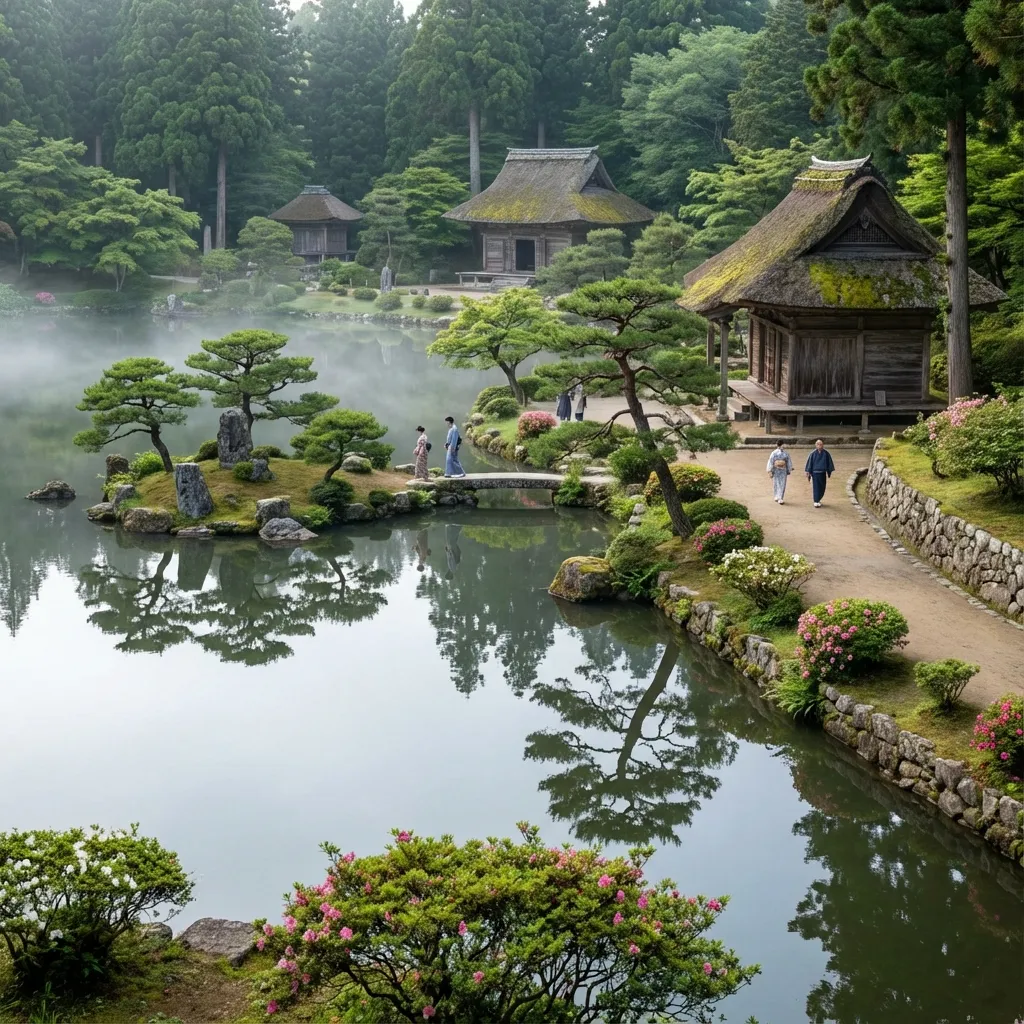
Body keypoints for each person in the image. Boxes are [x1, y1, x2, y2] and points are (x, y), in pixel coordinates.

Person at [804, 438, 835, 507]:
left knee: (822, 487)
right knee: (816, 487)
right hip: (815, 473)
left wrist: (829, 471)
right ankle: (816, 501)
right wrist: (808, 471)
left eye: (821, 444)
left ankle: (819, 499)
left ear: (823, 445)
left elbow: (829, 463)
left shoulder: (826, 453)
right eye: (818, 444)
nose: (820, 446)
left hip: (823, 473)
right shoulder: (812, 454)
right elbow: (809, 463)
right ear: (816, 445)